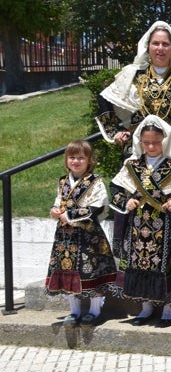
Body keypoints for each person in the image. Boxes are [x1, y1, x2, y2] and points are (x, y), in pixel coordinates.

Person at [109, 115, 171, 327]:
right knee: (141, 264)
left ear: (165, 140)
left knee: (166, 265)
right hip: (138, 225)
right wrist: (126, 201)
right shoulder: (133, 164)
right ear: (140, 142)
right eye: (147, 142)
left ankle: (168, 307)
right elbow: (116, 189)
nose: (152, 146)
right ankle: (145, 307)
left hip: (166, 225)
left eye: (156, 142)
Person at [97, 21, 171, 158]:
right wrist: (115, 131)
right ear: (148, 46)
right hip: (142, 147)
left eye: (165, 44)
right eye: (156, 43)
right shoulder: (133, 75)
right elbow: (105, 98)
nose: (160, 48)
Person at [45, 140, 116, 327]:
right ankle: (74, 311)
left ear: (89, 160)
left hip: (88, 236)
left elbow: (95, 208)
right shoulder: (63, 181)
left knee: (91, 271)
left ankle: (94, 311)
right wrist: (54, 210)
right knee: (67, 270)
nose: (76, 161)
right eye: (72, 157)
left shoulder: (96, 182)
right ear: (66, 159)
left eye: (81, 157)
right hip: (65, 236)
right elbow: (58, 201)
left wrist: (68, 215)